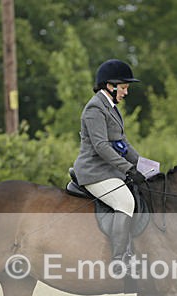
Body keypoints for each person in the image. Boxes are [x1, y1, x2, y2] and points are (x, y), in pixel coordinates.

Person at [73, 59, 144, 272]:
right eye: (123, 88)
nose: (126, 92)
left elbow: (124, 145)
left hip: (108, 171)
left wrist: (147, 166)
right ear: (110, 86)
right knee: (126, 202)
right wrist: (129, 169)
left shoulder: (111, 108)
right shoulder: (95, 108)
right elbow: (101, 146)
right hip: (94, 172)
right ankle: (119, 259)